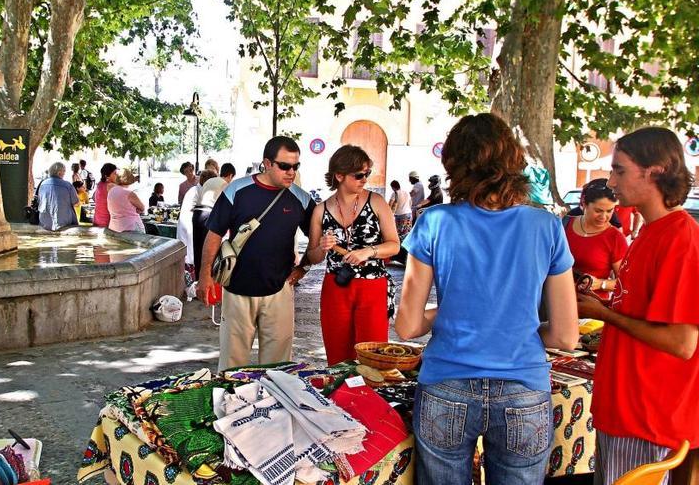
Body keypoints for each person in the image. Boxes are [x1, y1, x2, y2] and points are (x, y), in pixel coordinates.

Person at [395, 113, 578, 484]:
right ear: (512, 162)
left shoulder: (433, 222)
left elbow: (408, 326)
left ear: (454, 165)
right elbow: (565, 336)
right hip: (524, 387)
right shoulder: (547, 227)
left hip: (446, 383)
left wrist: (447, 312)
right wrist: (515, 328)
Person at [576, 127, 699, 485]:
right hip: (628, 410)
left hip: (646, 416)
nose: (611, 180)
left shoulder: (680, 238)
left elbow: (682, 342)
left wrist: (605, 314)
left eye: (619, 170)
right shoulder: (649, 231)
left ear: (655, 170)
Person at [197, 136, 315, 371]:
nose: (291, 172)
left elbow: (317, 238)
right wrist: (205, 275)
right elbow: (214, 234)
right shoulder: (237, 191)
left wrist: (303, 267)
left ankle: (272, 407)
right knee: (232, 365)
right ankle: (228, 406)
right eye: (285, 166)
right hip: (237, 290)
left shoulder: (301, 199)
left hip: (279, 291)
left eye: (296, 166)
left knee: (279, 367)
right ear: (267, 163)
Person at [306, 145, 399, 365]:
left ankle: (373, 397)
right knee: (338, 354)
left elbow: (394, 245)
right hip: (336, 286)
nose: (364, 179)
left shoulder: (376, 202)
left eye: (367, 173)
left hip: (373, 286)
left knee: (374, 355)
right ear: (339, 175)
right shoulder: (321, 210)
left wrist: (370, 251)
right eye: (359, 175)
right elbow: (313, 256)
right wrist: (322, 246)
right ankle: (342, 397)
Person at [563, 178, 627, 301]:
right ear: (584, 204)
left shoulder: (615, 238)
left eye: (610, 211)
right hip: (558, 302)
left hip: (592, 311)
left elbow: (625, 283)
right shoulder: (564, 225)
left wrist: (601, 283)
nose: (604, 217)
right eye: (598, 211)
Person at [192, 163, 236, 276]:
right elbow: (228, 207)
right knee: (208, 252)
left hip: (197, 214)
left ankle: (197, 279)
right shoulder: (226, 184)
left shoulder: (209, 181)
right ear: (230, 175)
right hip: (209, 215)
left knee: (198, 250)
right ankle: (207, 279)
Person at [38, 162, 80, 231]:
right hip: (63, 223)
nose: (64, 173)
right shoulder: (67, 185)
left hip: (44, 222)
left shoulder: (43, 184)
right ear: (59, 173)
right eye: (64, 171)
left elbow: (40, 201)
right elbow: (77, 203)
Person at [107, 168, 145, 233]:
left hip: (114, 227)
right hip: (131, 227)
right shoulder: (129, 193)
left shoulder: (111, 191)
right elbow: (142, 208)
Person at [92, 163, 118, 228]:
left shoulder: (99, 184)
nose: (117, 175)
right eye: (114, 173)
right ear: (107, 175)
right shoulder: (111, 186)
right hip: (107, 222)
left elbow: (93, 197)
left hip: (97, 219)